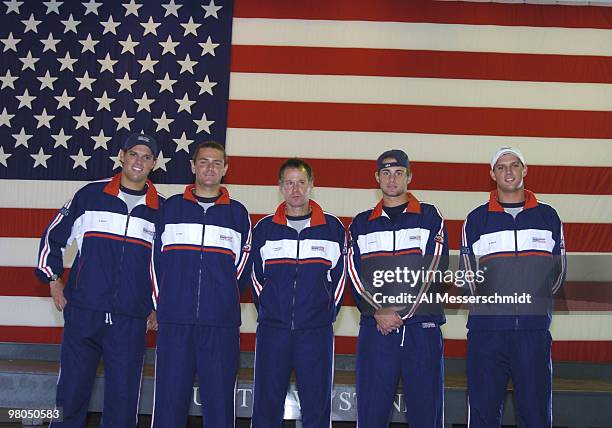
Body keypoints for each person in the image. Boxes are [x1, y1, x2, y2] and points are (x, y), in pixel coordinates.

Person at [35, 133, 162, 427]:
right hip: (84, 312)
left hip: (131, 318)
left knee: (123, 399)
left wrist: (157, 305)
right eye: (133, 154)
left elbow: (166, 267)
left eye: (146, 157)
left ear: (153, 163)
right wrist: (53, 280)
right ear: (121, 155)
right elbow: (52, 239)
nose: (138, 161)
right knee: (70, 395)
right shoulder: (89, 196)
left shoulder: (162, 210)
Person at [460, 147, 566, 427]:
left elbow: (559, 272)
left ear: (524, 170)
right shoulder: (476, 220)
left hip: (532, 334)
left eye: (514, 165)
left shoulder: (548, 217)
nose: (508, 171)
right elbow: (468, 277)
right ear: (492, 173)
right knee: (483, 413)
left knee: (535, 415)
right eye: (501, 166)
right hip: (487, 334)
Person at [151, 141, 251, 427]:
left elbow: (244, 265)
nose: (210, 168)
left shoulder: (237, 213)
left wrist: (222, 299)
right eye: (204, 162)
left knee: (219, 404)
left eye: (217, 163)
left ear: (225, 169)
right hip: (175, 321)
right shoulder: (170, 209)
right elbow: (154, 261)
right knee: (169, 400)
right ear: (193, 166)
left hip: (220, 325)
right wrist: (161, 305)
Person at [348, 149, 448, 427]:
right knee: (371, 413)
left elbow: (434, 270)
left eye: (398, 173)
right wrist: (377, 310)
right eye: (386, 173)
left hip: (421, 331)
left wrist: (400, 313)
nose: (392, 179)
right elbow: (353, 272)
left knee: (426, 414)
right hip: (376, 331)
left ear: (409, 176)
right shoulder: (360, 224)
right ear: (376, 178)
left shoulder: (430, 217)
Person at [249, 158, 346, 428]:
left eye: (301, 182)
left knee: (316, 404)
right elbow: (256, 278)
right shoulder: (265, 229)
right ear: (280, 186)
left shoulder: (333, 229)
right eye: (289, 183)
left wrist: (324, 314)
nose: (295, 189)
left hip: (315, 331)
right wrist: (271, 310)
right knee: (267, 404)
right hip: (273, 330)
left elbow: (340, 279)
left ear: (312, 185)